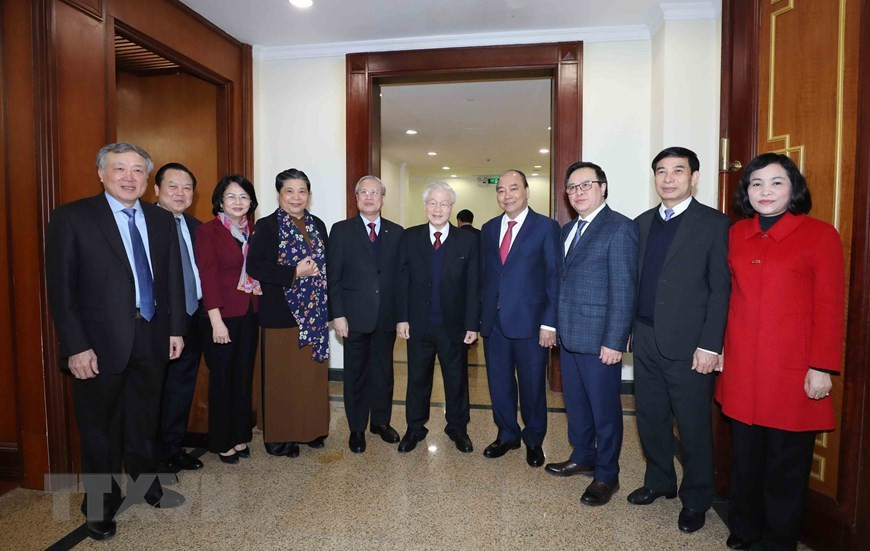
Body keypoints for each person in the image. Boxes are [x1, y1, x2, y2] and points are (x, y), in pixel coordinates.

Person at [45, 142, 187, 541]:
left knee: (146, 419)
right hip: (97, 343)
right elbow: (61, 290)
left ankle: (146, 486)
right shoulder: (73, 218)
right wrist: (75, 346)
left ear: (147, 179)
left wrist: (176, 330)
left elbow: (172, 280)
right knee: (99, 428)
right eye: (120, 169)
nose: (129, 177)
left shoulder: (161, 222)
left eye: (138, 171)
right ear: (101, 173)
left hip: (152, 335)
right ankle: (99, 505)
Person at [715, 153, 844, 551]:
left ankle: (778, 539)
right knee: (746, 458)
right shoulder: (737, 234)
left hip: (792, 369)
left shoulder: (821, 235)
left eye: (776, 182)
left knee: (785, 466)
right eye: (756, 183)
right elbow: (730, 297)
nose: (765, 191)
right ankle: (744, 528)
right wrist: (719, 347)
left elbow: (830, 306)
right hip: (741, 365)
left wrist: (821, 366)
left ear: (793, 189)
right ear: (746, 191)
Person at [629, 147, 731, 533]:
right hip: (646, 335)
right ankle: (659, 481)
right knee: (651, 418)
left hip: (690, 345)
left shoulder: (714, 224)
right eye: (661, 171)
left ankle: (697, 498)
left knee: (692, 426)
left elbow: (720, 290)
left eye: (677, 171)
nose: (668, 178)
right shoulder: (640, 223)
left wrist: (711, 345)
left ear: (694, 177)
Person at [546, 161, 638, 506]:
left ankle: (606, 474)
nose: (578, 192)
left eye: (586, 185)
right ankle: (582, 456)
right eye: (572, 187)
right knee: (577, 406)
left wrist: (615, 341)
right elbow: (563, 283)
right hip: (570, 337)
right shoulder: (567, 230)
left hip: (601, 341)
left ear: (603, 188)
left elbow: (624, 290)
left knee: (604, 411)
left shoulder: (620, 228)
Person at [479, 169, 560, 467]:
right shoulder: (488, 229)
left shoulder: (546, 227)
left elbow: (554, 277)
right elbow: (485, 276)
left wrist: (549, 322)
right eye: (501, 190)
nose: (507, 195)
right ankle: (507, 434)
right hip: (494, 323)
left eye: (513, 189)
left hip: (531, 323)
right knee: (498, 383)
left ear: (527, 191)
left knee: (532, 385)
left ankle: (534, 439)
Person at [247, 168, 330, 458]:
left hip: (315, 315)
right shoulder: (268, 226)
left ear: (309, 194)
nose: (296, 197)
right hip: (281, 315)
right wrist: (294, 272)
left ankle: (312, 428)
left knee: (311, 376)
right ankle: (280, 436)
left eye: (302, 191)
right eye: (290, 191)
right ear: (279, 195)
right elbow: (255, 267)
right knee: (283, 378)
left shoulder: (318, 224)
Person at [396, 182, 479, 453]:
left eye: (444, 203)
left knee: (456, 381)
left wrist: (472, 324)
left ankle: (458, 429)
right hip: (419, 325)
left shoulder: (468, 240)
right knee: (417, 380)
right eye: (432, 202)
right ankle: (415, 428)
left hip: (453, 326)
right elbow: (402, 281)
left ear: (451, 207)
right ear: (425, 206)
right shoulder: (409, 237)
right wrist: (402, 318)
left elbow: (473, 285)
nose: (438, 208)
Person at [327, 175, 404, 453]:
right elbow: (333, 277)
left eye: (375, 192)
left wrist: (401, 316)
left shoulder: (397, 232)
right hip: (353, 317)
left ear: (383, 198)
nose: (369, 197)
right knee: (356, 374)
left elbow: (401, 279)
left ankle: (380, 423)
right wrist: (338, 315)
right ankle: (357, 428)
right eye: (363, 193)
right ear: (356, 198)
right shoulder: (341, 230)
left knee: (383, 373)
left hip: (385, 317)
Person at [195, 175, 260, 464]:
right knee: (222, 379)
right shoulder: (208, 232)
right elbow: (207, 277)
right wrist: (216, 321)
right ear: (220, 200)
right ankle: (222, 440)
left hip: (250, 313)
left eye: (243, 197)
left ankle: (239, 435)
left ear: (251, 202)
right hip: (222, 316)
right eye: (231, 196)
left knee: (243, 376)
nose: (238, 202)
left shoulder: (254, 231)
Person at [153, 162, 205, 476]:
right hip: (158, 322)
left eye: (187, 188)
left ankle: (173, 449)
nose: (180, 193)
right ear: (156, 190)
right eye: (173, 186)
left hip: (193, 317)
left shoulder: (196, 226)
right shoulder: (144, 224)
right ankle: (153, 455)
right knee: (156, 390)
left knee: (181, 388)